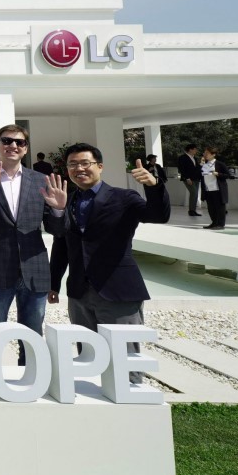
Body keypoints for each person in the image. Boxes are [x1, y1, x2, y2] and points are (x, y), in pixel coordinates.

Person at [44, 143, 170, 384]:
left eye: (85, 163)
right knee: (88, 357)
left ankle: (130, 403)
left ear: (99, 166)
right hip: (80, 291)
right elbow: (62, 244)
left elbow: (158, 216)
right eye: (73, 164)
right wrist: (54, 282)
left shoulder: (124, 197)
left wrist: (154, 186)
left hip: (118, 289)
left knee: (125, 361)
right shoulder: (66, 201)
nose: (79, 169)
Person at [0, 125, 52, 365]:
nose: (13, 146)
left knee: (32, 334)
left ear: (25, 148)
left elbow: (57, 228)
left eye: (19, 142)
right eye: (7, 141)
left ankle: (30, 380)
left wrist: (60, 211)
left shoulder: (41, 180)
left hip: (34, 269)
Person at [200, 146, 231, 230]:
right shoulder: (204, 164)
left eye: (207, 153)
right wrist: (200, 165)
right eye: (204, 153)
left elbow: (228, 175)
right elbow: (200, 175)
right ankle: (214, 223)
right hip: (208, 189)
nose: (205, 154)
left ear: (213, 154)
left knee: (219, 208)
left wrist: (218, 174)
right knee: (211, 208)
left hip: (217, 189)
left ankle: (220, 224)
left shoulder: (220, 164)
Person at [177, 144, 202, 217]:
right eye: (195, 149)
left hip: (196, 178)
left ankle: (193, 210)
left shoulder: (195, 158)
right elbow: (182, 169)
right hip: (188, 179)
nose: (196, 150)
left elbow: (197, 168)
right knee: (194, 192)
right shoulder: (182, 157)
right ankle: (191, 210)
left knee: (196, 194)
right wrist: (187, 178)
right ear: (190, 149)